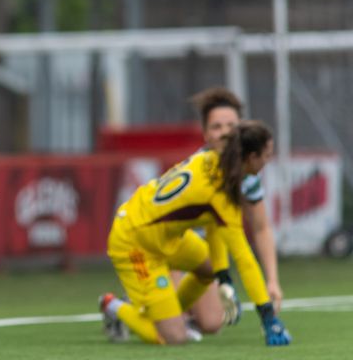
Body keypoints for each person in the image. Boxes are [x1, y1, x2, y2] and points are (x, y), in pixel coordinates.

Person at [99, 121, 291, 346]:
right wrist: (268, 316)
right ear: (250, 157)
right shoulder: (221, 193)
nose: (268, 160)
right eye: (266, 155)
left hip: (164, 236)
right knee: (172, 338)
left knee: (209, 267)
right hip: (134, 243)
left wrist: (223, 276)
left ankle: (171, 316)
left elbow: (213, 223)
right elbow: (244, 259)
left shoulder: (211, 158)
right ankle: (113, 305)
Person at [178, 88, 284, 335]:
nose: (225, 132)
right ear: (205, 133)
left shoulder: (245, 173)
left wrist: (272, 281)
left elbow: (261, 227)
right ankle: (129, 305)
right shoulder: (200, 168)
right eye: (216, 127)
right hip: (174, 249)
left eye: (231, 125)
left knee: (211, 323)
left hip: (208, 260)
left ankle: (176, 306)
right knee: (171, 324)